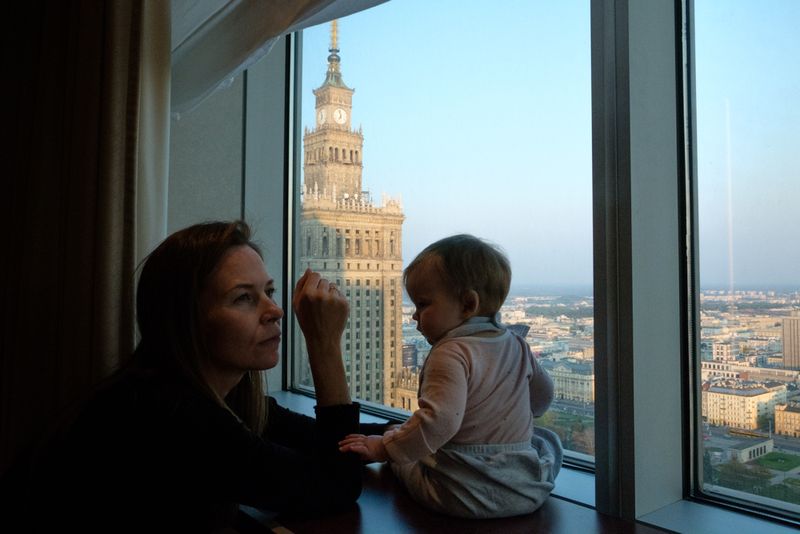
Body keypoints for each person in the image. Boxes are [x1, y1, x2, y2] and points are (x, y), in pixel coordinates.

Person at [9, 221, 383, 531]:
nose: (276, 311)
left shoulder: (221, 395)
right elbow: (335, 486)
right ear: (187, 319)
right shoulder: (169, 416)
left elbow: (322, 439)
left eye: (268, 292)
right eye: (244, 298)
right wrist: (324, 346)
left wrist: (422, 431)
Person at [339, 234, 563, 519]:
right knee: (546, 440)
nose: (413, 316)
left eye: (422, 304)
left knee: (404, 455)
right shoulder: (518, 345)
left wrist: (384, 448)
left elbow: (439, 422)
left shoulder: (451, 352)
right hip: (525, 492)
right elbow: (542, 400)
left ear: (468, 304)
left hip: (458, 495)